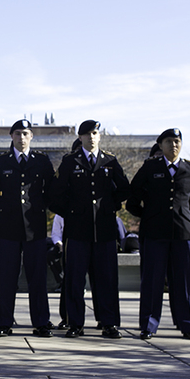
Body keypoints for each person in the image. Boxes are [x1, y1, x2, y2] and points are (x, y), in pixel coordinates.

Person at [127, 128, 190, 340]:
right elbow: (133, 195)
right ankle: (148, 325)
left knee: (185, 281)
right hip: (155, 232)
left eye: (177, 141)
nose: (174, 145)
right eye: (169, 142)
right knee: (152, 280)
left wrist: (186, 207)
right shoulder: (150, 167)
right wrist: (147, 215)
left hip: (183, 232)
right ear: (161, 145)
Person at [50, 119, 130, 340]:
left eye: (95, 133)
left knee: (107, 280)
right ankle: (75, 323)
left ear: (99, 136)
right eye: (87, 134)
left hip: (104, 231)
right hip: (78, 231)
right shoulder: (70, 162)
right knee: (75, 280)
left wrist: (109, 206)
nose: (92, 137)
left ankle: (109, 323)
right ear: (80, 137)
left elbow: (124, 189)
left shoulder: (110, 162)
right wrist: (71, 211)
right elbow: (54, 194)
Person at [0, 118, 54, 338]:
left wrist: (40, 207)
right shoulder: (0, 161)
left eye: (25, 134)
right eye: (17, 134)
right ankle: (4, 323)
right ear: (11, 137)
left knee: (37, 278)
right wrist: (5, 207)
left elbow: (51, 190)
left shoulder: (42, 161)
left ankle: (41, 322)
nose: (21, 138)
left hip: (35, 228)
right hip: (8, 228)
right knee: (7, 278)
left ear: (31, 136)